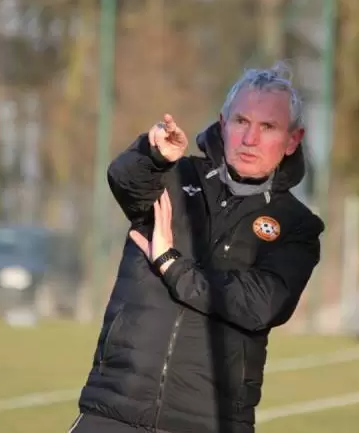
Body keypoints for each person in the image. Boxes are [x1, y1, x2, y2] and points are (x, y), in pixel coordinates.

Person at [68, 63, 325, 433]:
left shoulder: (297, 224)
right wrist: (152, 155)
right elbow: (126, 181)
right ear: (223, 123)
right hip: (113, 408)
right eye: (241, 121)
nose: (250, 138)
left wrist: (171, 265)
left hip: (210, 422)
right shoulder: (174, 177)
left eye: (267, 127)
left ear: (292, 139)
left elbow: (258, 305)